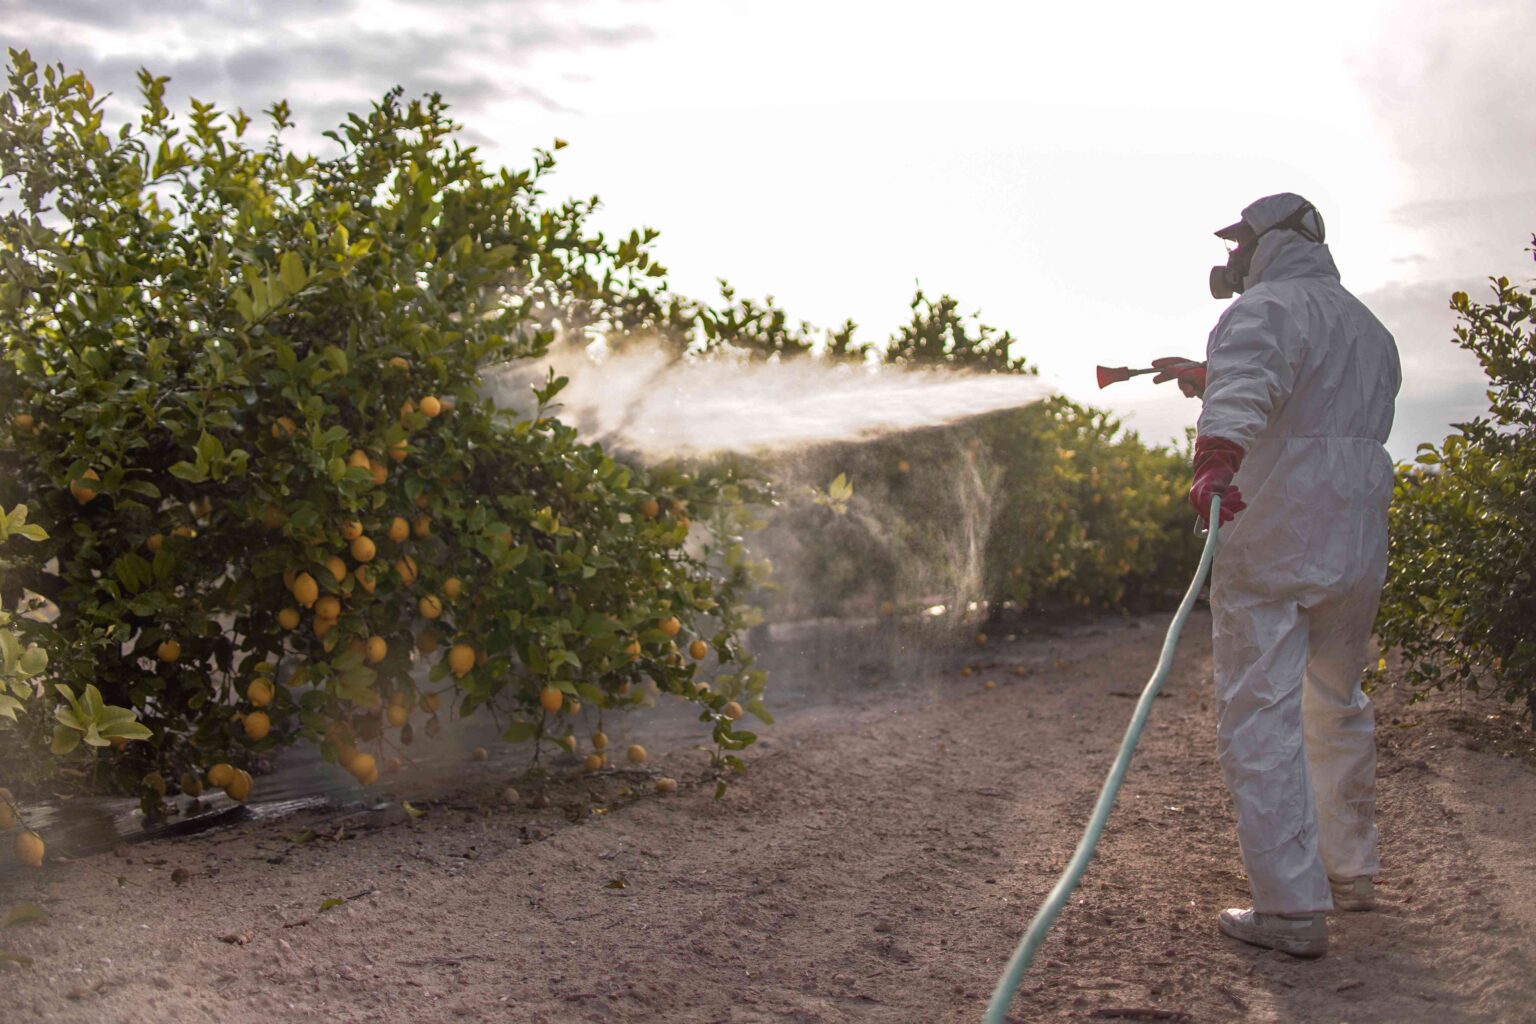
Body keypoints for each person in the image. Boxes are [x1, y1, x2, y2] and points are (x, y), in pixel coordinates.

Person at [1156, 193, 1401, 958]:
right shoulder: (1367, 325)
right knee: (1335, 700)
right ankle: (1348, 872)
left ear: (1277, 242)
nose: (1231, 258)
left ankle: (1292, 909)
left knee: (1259, 708)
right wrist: (1211, 374)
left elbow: (1251, 389)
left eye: (1240, 243)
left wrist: (1213, 461)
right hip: (1355, 537)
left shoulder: (1261, 310)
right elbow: (1310, 399)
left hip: (1276, 533)